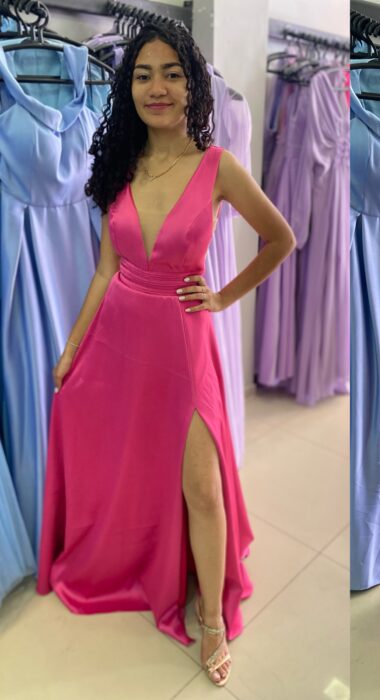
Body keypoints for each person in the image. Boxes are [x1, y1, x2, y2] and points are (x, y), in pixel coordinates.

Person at [36, 22, 295, 687]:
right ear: (128, 87)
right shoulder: (121, 163)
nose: (157, 88)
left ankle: (211, 620)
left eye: (172, 74)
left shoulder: (217, 166)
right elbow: (105, 269)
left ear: (193, 86)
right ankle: (136, 558)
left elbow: (280, 238)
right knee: (126, 460)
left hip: (181, 340)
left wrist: (224, 296)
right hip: (119, 336)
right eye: (144, 75)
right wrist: (72, 347)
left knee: (201, 487)